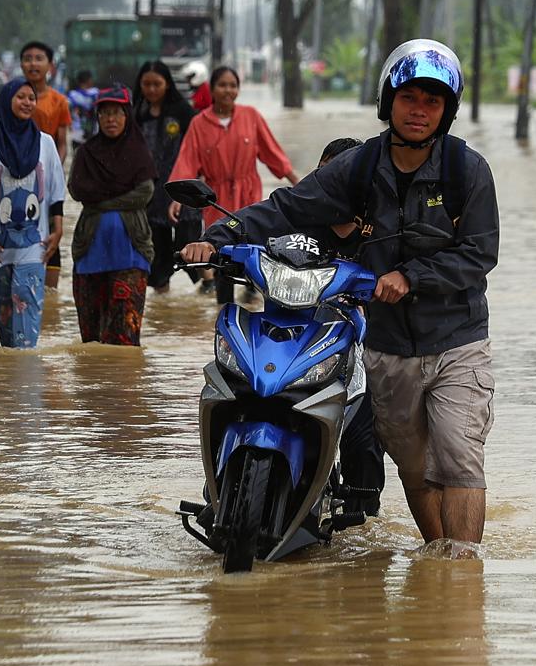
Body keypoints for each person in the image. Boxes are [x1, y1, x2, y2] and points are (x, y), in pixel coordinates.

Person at [190, 40, 498, 546]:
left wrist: (411, 277)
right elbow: (289, 206)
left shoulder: (468, 172)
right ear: (388, 101)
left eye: (433, 101)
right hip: (386, 346)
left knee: (458, 457)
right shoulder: (358, 168)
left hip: (457, 340)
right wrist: (219, 236)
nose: (419, 110)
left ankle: (461, 577)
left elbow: (479, 254)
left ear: (447, 111)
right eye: (409, 97)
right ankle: (439, 563)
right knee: (415, 467)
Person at [179, 135, 385, 523]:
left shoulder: (381, 230)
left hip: (347, 336)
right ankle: (217, 485)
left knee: (364, 419)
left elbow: (408, 269)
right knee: (232, 383)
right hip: (283, 329)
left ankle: (362, 508)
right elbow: (253, 220)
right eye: (325, 177)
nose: (331, 188)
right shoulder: (297, 213)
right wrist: (210, 243)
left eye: (343, 180)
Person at [0, 78, 66, 349]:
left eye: (31, 98)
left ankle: (28, 385)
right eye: (20, 97)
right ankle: (9, 385)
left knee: (27, 322)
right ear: (6, 101)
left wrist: (58, 230)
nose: (27, 103)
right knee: (6, 330)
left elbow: (56, 191)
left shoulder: (46, 143)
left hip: (35, 246)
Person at [67, 86, 156, 345]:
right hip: (90, 254)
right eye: (104, 114)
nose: (110, 119)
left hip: (131, 254)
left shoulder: (139, 152)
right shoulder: (86, 153)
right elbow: (76, 190)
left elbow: (144, 192)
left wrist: (102, 199)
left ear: (127, 116)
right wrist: (114, 195)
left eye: (116, 113)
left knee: (125, 339)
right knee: (92, 341)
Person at [167, 65, 295, 237]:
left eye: (233, 85)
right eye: (222, 85)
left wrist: (297, 183)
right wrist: (178, 198)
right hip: (216, 200)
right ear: (211, 89)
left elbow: (272, 152)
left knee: (251, 242)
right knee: (220, 245)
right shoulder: (199, 123)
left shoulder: (251, 116)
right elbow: (186, 161)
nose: (228, 90)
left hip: (249, 195)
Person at [132, 60, 197, 292]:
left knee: (189, 246)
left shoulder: (183, 112)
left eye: (156, 84)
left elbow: (196, 147)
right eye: (146, 84)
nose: (151, 89)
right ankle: (163, 301)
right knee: (157, 251)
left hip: (182, 185)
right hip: (150, 190)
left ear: (167, 84)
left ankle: (209, 286)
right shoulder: (137, 113)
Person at [20, 40, 70, 297]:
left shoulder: (59, 101)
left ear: (50, 65)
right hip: (17, 177)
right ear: (21, 64)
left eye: (39, 58)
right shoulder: (13, 96)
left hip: (46, 179)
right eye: (27, 58)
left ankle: (49, 294)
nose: (33, 63)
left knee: (52, 231)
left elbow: (62, 144)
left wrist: (52, 172)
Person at [67, 69, 99, 144]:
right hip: (91, 132)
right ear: (89, 80)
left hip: (76, 132)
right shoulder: (96, 93)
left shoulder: (72, 95)